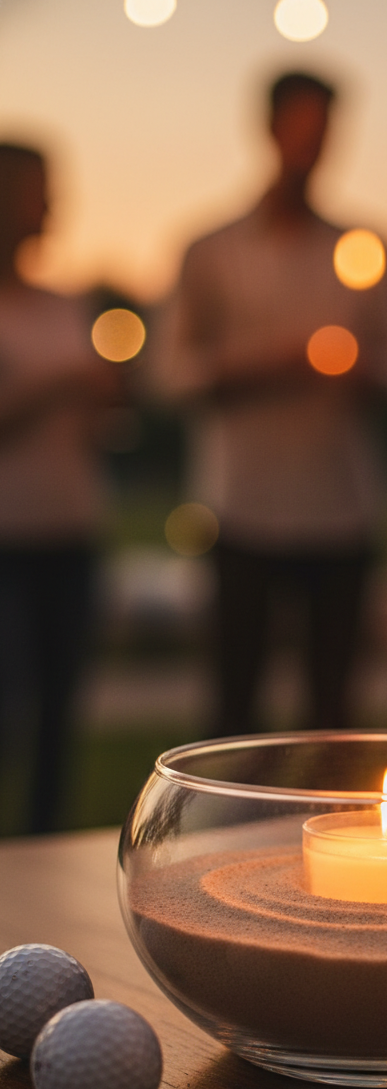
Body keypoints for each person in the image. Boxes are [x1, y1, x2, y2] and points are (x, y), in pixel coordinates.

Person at [155, 71, 387, 733]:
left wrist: (358, 370)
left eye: (324, 132)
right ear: (270, 129)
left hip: (341, 505)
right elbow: (170, 373)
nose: (313, 146)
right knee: (234, 705)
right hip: (244, 506)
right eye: (302, 128)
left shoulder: (363, 248)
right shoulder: (211, 249)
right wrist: (263, 362)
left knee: (334, 711)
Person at [0, 144, 119, 834]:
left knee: (57, 718)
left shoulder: (66, 302)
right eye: (38, 190)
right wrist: (61, 384)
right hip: (6, 541)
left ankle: (40, 856)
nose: (51, 205)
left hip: (72, 529)